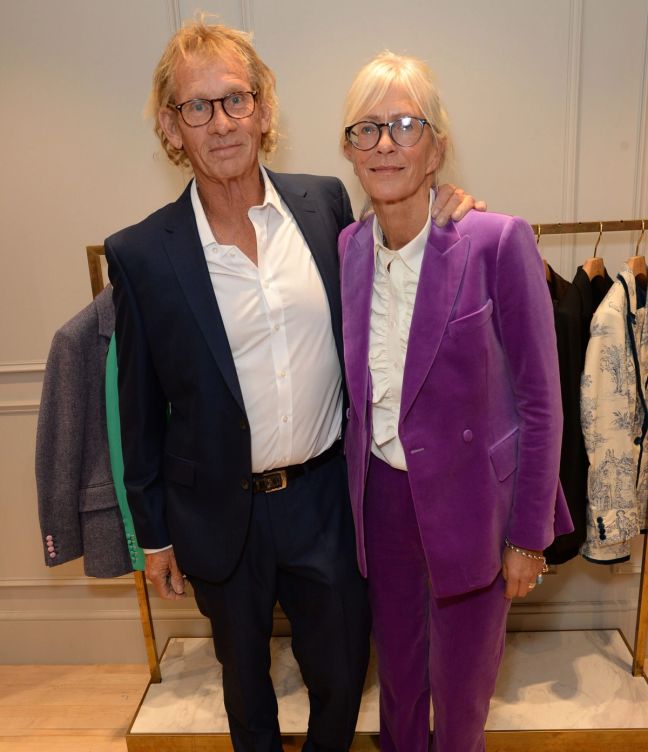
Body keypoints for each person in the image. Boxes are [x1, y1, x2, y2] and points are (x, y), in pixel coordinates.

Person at [105, 19, 479, 752]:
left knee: (341, 676)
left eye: (235, 99)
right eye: (196, 106)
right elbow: (138, 409)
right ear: (171, 127)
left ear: (264, 109)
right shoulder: (142, 254)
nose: (221, 122)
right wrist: (152, 537)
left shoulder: (324, 206)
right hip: (218, 512)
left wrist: (446, 210)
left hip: (325, 500)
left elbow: (398, 260)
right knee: (246, 693)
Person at [338, 52, 574, 752]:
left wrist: (529, 536)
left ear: (437, 146)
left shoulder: (496, 241)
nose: (386, 144)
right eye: (367, 128)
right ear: (349, 151)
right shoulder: (349, 248)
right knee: (399, 688)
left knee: (463, 698)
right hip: (383, 503)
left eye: (406, 125)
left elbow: (542, 402)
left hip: (473, 508)